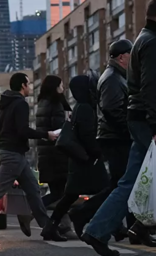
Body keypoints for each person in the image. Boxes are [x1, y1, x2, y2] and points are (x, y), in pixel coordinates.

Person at [82, 0, 156, 256]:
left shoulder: (147, 40)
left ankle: (96, 231)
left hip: (143, 120)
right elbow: (152, 86)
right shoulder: (154, 43)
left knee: (129, 182)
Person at [0, 73, 63, 243]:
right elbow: (22, 130)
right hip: (13, 155)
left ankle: (47, 228)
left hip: (13, 154)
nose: (29, 87)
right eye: (28, 84)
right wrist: (47, 134)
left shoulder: (5, 102)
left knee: (33, 191)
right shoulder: (20, 103)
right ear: (23, 85)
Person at [69, 39, 134, 238]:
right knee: (122, 186)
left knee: (123, 185)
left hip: (116, 137)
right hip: (116, 138)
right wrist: (129, 130)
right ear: (123, 56)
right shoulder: (113, 77)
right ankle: (83, 215)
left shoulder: (117, 76)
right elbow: (112, 109)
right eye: (132, 55)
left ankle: (130, 227)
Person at [41, 75, 109, 239]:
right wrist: (98, 152)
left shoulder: (79, 106)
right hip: (87, 159)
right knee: (108, 191)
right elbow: (87, 135)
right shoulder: (85, 107)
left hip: (78, 159)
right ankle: (83, 215)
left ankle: (50, 227)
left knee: (69, 196)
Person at [35, 76, 72, 223]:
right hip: (57, 156)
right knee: (61, 193)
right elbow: (59, 130)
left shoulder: (42, 103)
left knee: (59, 193)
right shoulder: (56, 104)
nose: (63, 88)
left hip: (46, 155)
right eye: (61, 85)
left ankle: (63, 226)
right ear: (55, 87)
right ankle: (34, 210)